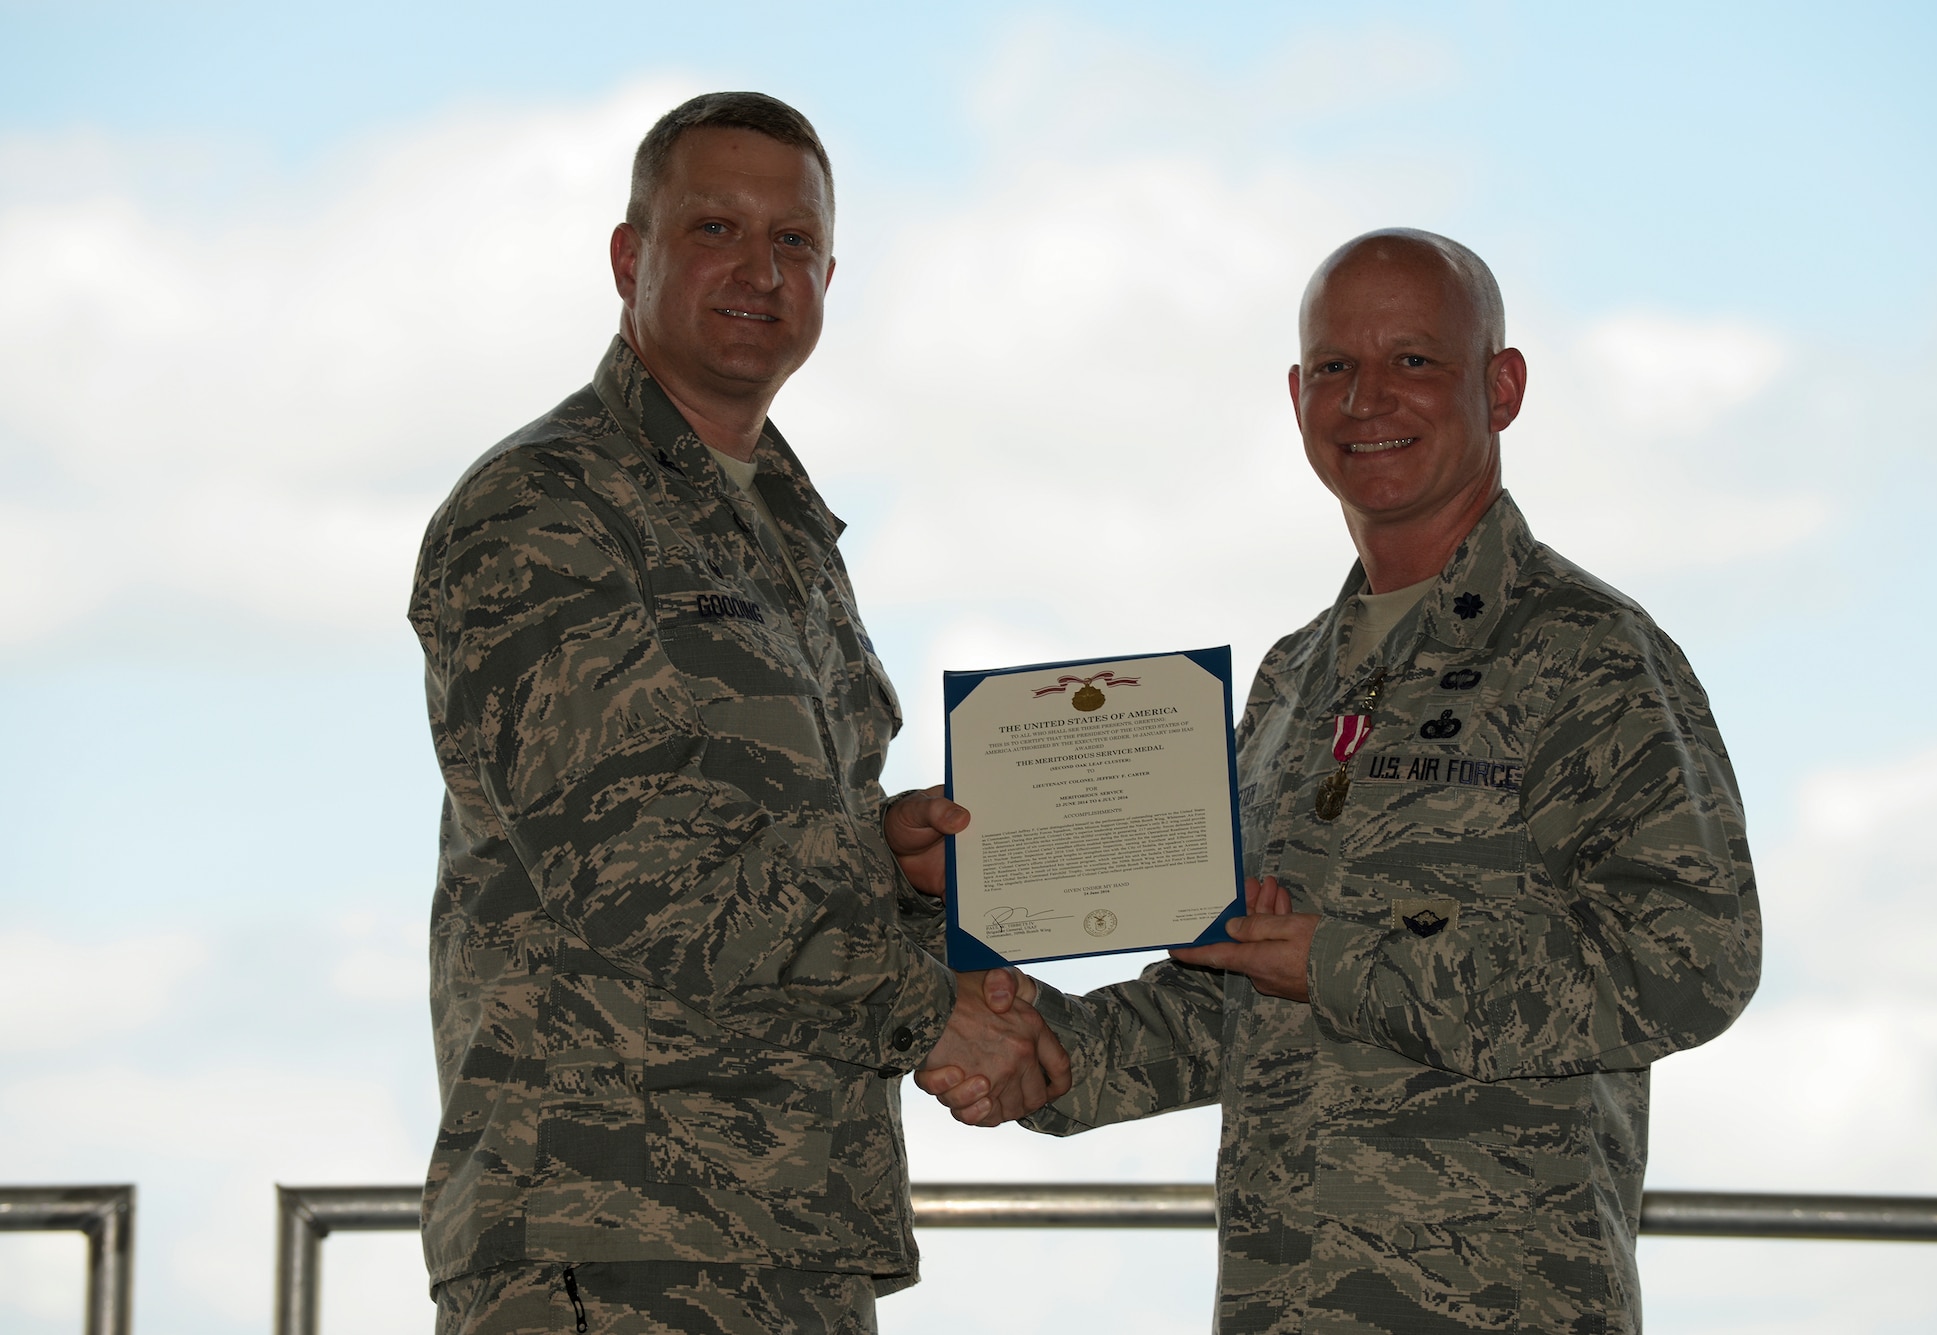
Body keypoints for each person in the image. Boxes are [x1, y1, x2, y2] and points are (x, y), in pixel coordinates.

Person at [919, 229, 1762, 1334]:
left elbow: (1692, 959)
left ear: (1498, 387)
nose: (1367, 400)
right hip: (1285, 1301)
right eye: (1333, 368)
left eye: (1412, 360)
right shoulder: (1290, 680)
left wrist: (1346, 960)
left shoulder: (1586, 653)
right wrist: (1051, 1056)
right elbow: (1229, 989)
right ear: (1295, 396)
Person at [409, 91, 1068, 1335]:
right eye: (715, 229)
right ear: (629, 257)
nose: (760, 271)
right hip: (608, 1240)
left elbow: (784, 860)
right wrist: (933, 1011)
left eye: (795, 243)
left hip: (790, 1230)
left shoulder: (790, 530)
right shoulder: (544, 509)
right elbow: (642, 881)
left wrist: (904, 870)